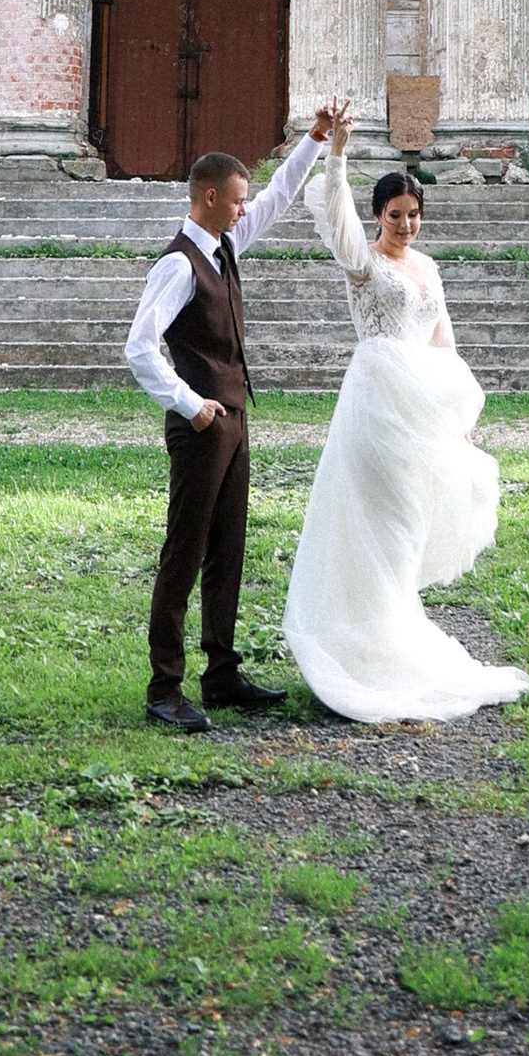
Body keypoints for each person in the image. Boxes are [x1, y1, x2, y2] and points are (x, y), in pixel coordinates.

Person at [282, 137, 529, 725]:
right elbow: (337, 213)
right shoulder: (362, 261)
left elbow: (443, 339)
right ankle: (364, 644)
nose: (405, 226)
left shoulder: (428, 267)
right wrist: (338, 155)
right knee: (385, 519)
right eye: (395, 216)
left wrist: (459, 416)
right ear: (379, 217)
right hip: (377, 402)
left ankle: (394, 630)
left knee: (411, 522)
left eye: (413, 216)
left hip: (423, 402)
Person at [124, 99, 348, 732]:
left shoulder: (225, 244)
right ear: (207, 198)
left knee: (229, 549)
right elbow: (138, 347)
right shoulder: (179, 263)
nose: (245, 208)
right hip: (201, 426)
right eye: (236, 200)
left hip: (235, 419)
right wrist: (192, 406)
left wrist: (315, 139)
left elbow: (277, 198)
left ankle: (220, 673)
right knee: (185, 552)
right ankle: (164, 687)